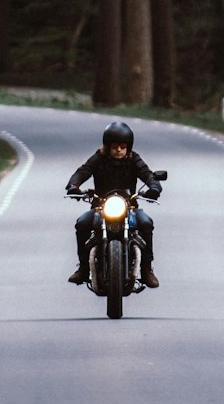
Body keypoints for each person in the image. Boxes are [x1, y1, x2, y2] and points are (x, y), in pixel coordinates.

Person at [66, 120, 163, 288]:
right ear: (108, 146)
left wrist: (154, 187)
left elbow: (148, 174)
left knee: (146, 223)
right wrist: (73, 186)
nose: (119, 149)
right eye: (115, 146)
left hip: (130, 207)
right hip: (100, 208)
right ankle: (83, 268)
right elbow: (82, 171)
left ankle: (147, 270)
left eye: (123, 146)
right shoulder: (98, 158)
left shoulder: (134, 159)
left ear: (128, 147)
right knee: (82, 223)